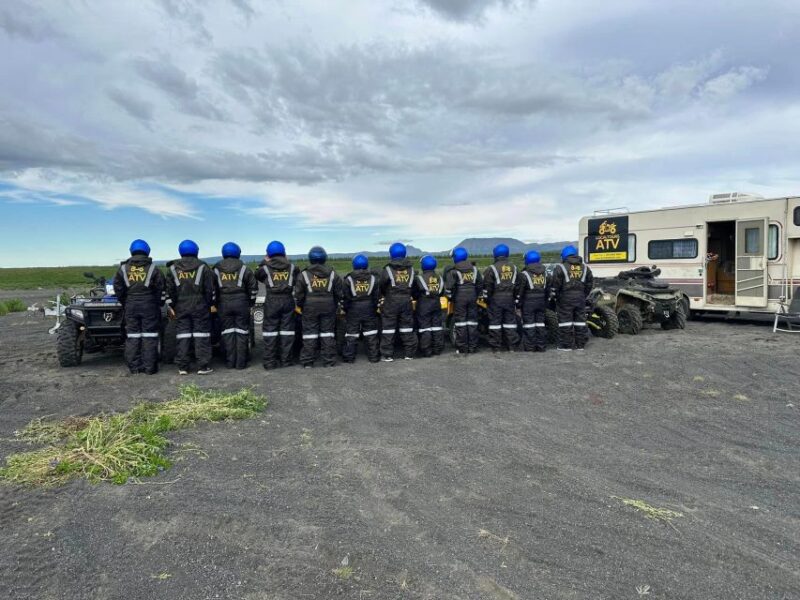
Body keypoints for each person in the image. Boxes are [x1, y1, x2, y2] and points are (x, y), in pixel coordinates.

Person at [113, 239, 166, 375]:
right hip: (149, 305)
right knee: (150, 335)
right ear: (147, 251)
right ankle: (150, 368)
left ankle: (134, 368)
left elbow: (118, 288)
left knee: (133, 336)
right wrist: (157, 303)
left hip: (130, 305)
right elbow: (160, 288)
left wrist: (125, 301)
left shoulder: (123, 269)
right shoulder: (154, 269)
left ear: (131, 251)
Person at [165, 239, 216, 374]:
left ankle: (183, 367)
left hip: (181, 307)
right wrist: (208, 304)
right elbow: (209, 289)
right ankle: (203, 366)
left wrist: (174, 305)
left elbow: (169, 290)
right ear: (196, 251)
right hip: (200, 306)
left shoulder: (172, 269)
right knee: (201, 335)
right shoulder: (203, 267)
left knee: (183, 336)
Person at [255, 241, 301, 369]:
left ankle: (270, 362)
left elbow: (257, 275)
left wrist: (264, 262)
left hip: (272, 301)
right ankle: (286, 360)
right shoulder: (293, 267)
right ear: (284, 252)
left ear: (268, 254)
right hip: (287, 300)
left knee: (270, 331)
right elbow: (298, 279)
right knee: (287, 331)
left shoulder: (264, 268)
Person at [294, 246, 341, 368]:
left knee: (310, 334)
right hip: (328, 307)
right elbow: (339, 294)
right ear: (325, 258)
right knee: (328, 333)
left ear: (310, 258)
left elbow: (299, 295)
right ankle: (329, 361)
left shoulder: (303, 275)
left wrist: (302, 306)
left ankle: (308, 362)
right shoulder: (333, 274)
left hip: (309, 308)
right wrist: (333, 305)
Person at [213, 242, 257, 369]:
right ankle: (241, 363)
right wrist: (250, 303)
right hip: (241, 303)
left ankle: (230, 362)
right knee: (242, 332)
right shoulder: (244, 268)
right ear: (238, 253)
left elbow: (212, 288)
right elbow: (253, 288)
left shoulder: (216, 269)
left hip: (223, 304)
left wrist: (215, 303)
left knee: (227, 333)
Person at [378, 242, 418, 361]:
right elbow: (414, 286)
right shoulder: (411, 270)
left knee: (388, 328)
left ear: (391, 254)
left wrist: (387, 295)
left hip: (391, 301)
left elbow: (382, 285)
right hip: (406, 301)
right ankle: (409, 354)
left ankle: (387, 355)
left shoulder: (388, 269)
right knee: (407, 327)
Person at [551, 244, 593, 351]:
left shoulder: (560, 267)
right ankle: (580, 345)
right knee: (580, 321)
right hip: (580, 298)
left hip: (565, 299)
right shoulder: (585, 268)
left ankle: (566, 346)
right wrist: (583, 295)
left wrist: (557, 297)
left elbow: (555, 285)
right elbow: (589, 284)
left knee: (565, 322)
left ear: (564, 255)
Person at [341, 254, 380, 363]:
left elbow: (346, 298)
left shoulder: (348, 279)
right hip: (369, 308)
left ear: (353, 265)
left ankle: (349, 357)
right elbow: (376, 297)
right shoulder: (374, 279)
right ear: (367, 264)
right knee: (371, 333)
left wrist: (347, 309)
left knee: (352, 334)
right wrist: (373, 308)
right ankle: (374, 356)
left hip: (353, 309)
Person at [483, 243, 520, 352]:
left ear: (495, 254)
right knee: (510, 323)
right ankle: (512, 347)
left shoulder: (491, 269)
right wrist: (515, 298)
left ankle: (496, 347)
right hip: (510, 299)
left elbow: (487, 286)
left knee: (495, 324)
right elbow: (518, 285)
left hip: (496, 300)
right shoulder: (515, 268)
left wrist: (487, 299)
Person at [444, 247, 482, 354]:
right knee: (472, 322)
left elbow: (448, 288)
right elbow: (480, 284)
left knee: (461, 323)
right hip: (473, 298)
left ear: (456, 257)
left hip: (460, 298)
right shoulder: (475, 269)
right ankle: (473, 347)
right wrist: (477, 295)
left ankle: (462, 348)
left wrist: (450, 297)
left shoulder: (453, 271)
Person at [516, 250, 550, 352]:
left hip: (528, 303)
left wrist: (518, 303)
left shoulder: (524, 274)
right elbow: (548, 290)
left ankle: (530, 347)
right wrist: (546, 302)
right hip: (541, 302)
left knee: (529, 325)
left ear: (527, 260)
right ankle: (541, 347)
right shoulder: (546, 273)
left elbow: (520, 290)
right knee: (540, 324)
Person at [413, 255, 445, 357]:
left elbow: (415, 294)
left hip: (423, 305)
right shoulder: (440, 278)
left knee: (425, 328)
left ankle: (426, 350)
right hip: (436, 304)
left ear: (423, 265)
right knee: (437, 327)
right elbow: (441, 292)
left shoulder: (419, 278)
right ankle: (437, 349)